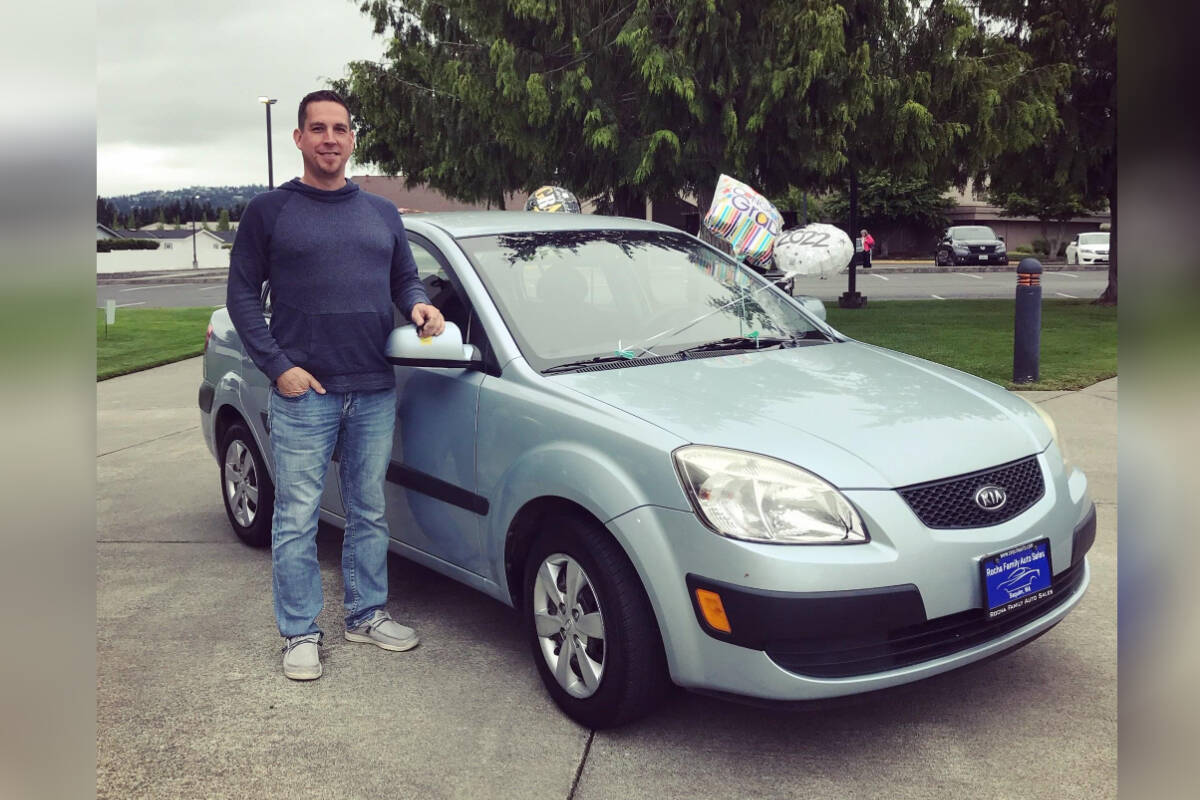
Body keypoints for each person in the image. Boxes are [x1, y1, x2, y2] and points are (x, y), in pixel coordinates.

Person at [226, 90, 445, 681]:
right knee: (296, 515)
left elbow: (404, 278)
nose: (330, 138)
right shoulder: (269, 212)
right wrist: (278, 367)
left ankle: (366, 613)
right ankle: (299, 632)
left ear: (353, 139)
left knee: (369, 509)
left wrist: (421, 305)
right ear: (298, 138)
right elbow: (242, 297)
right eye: (317, 128)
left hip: (374, 386)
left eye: (340, 129)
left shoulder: (381, 214)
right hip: (305, 393)